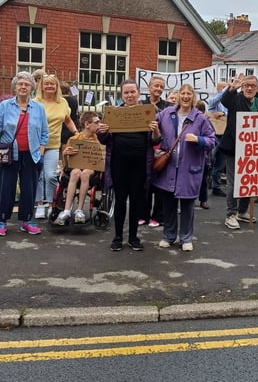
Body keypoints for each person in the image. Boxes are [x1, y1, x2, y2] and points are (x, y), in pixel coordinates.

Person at [151, 85, 216, 251]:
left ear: (193, 97)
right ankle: (169, 235)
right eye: (183, 93)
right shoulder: (166, 113)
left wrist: (198, 139)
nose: (186, 96)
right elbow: (150, 123)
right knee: (169, 205)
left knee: (187, 206)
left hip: (189, 168)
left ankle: (186, 238)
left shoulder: (200, 118)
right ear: (178, 96)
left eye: (189, 94)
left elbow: (212, 141)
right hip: (169, 168)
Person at [98, 80, 158, 252]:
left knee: (137, 202)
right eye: (126, 93)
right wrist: (102, 130)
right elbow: (103, 140)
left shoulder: (147, 113)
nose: (130, 95)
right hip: (119, 163)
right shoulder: (113, 113)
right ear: (121, 95)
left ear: (139, 93)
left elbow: (156, 140)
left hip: (140, 164)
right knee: (120, 201)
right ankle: (117, 237)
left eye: (133, 92)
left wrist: (155, 130)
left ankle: (133, 237)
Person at [0, 72, 49, 236]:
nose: (23, 87)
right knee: (5, 188)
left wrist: (41, 152)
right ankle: (2, 221)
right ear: (15, 87)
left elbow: (45, 133)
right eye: (20, 84)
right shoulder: (4, 106)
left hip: (31, 154)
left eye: (27, 84)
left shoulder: (39, 107)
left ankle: (27, 220)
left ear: (32, 88)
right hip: (8, 153)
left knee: (29, 189)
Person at [219, 74, 258, 230]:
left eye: (252, 85)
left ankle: (242, 211)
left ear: (257, 88)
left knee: (249, 179)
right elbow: (224, 101)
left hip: (251, 149)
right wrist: (232, 87)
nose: (249, 88)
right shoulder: (236, 98)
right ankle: (230, 214)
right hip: (233, 147)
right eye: (246, 85)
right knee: (233, 183)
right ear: (242, 86)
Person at [33, 74, 79, 220]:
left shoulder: (63, 103)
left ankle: (51, 203)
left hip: (53, 144)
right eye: (46, 84)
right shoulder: (35, 102)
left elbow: (68, 120)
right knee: (38, 175)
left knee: (50, 175)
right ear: (41, 86)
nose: (49, 86)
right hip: (36, 144)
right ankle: (40, 204)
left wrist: (76, 132)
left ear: (57, 87)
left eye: (52, 84)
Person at [55, 111, 101, 226]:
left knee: (85, 173)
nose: (99, 125)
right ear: (87, 124)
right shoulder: (74, 139)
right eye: (97, 122)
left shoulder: (99, 140)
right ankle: (66, 210)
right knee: (75, 172)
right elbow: (67, 165)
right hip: (75, 168)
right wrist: (65, 155)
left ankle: (79, 210)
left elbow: (101, 162)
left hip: (90, 169)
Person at [140, 76, 171, 228]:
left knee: (159, 185)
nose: (158, 89)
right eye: (155, 86)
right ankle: (143, 215)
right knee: (144, 183)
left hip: (161, 149)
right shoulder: (141, 104)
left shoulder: (168, 106)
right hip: (143, 148)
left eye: (161, 86)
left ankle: (158, 216)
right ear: (149, 86)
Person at [207, 81, 229, 197]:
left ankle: (216, 187)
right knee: (208, 160)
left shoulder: (229, 104)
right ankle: (204, 185)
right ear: (218, 90)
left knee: (220, 163)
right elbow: (217, 99)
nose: (226, 90)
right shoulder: (212, 103)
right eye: (223, 88)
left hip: (225, 135)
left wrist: (223, 113)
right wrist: (228, 88)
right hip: (214, 135)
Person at [195, 99, 213, 210]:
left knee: (202, 179)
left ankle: (203, 200)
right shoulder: (206, 120)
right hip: (205, 157)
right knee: (203, 179)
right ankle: (203, 200)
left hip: (203, 156)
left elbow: (211, 139)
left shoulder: (205, 121)